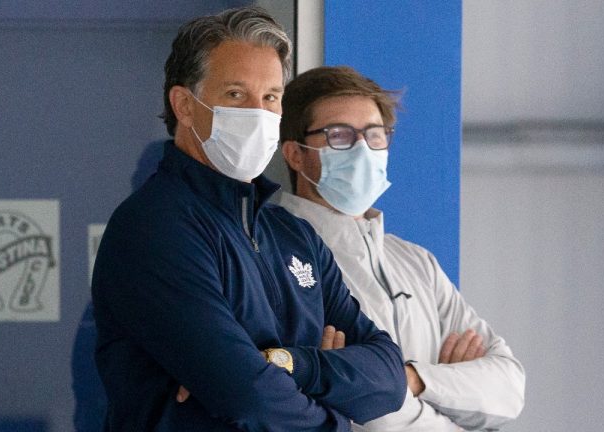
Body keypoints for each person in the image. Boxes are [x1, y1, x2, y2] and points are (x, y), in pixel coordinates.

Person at [91, 9, 406, 431]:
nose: (259, 114)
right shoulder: (155, 228)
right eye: (237, 95)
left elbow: (388, 379)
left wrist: (292, 364)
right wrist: (336, 411)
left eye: (271, 97)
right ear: (184, 105)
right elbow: (249, 398)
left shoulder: (292, 234)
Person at [277, 66, 526, 431]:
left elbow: (508, 389)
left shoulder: (415, 262)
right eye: (339, 136)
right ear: (295, 154)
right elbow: (369, 421)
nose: (363, 149)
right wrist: (453, 392)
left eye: (375, 135)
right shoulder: (278, 257)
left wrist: (413, 379)